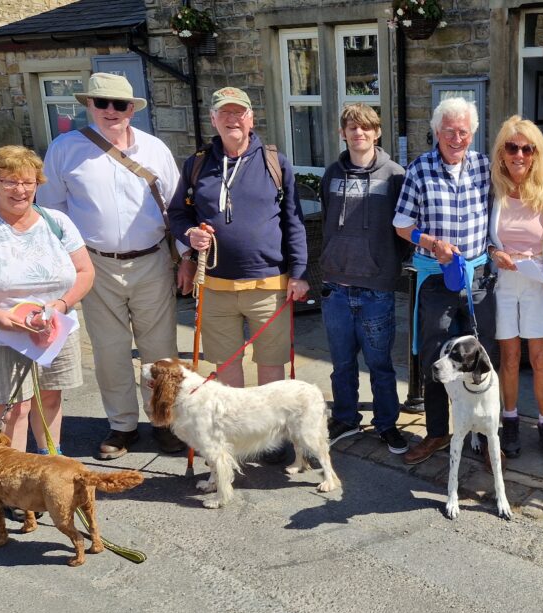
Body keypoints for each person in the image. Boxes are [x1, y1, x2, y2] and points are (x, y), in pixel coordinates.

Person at [36, 72, 189, 460]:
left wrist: (186, 256)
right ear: (88, 105)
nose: (109, 111)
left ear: (131, 110)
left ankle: (163, 422)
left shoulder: (154, 150)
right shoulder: (65, 148)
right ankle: (122, 426)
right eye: (100, 103)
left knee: (161, 351)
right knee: (110, 350)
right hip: (95, 265)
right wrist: (66, 265)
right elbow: (52, 210)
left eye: (118, 104)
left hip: (152, 260)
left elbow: (176, 207)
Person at [167, 87, 307, 456]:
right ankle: (233, 438)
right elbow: (178, 214)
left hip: (268, 282)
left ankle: (270, 438)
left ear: (251, 119)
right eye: (224, 113)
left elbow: (293, 220)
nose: (232, 119)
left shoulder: (275, 161)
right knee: (226, 369)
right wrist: (189, 235)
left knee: (271, 368)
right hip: (214, 287)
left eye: (239, 113)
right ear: (213, 119)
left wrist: (300, 271)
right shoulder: (197, 163)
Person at [0, 145, 94, 455]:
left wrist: (61, 306)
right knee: (14, 408)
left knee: (49, 397)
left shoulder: (57, 222)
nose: (19, 190)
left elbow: (85, 271)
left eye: (28, 181)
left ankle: (50, 460)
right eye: (9, 181)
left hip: (53, 329)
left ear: (38, 184)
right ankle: (13, 475)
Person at [393, 97, 496, 466]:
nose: (456, 138)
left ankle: (483, 435)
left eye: (463, 132)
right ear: (437, 132)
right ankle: (437, 432)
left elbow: (526, 181)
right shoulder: (419, 169)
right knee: (436, 358)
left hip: (478, 278)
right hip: (435, 279)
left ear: (472, 134)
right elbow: (401, 225)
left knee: (484, 355)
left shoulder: (485, 167)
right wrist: (432, 243)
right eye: (449, 131)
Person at [319, 103, 409, 455]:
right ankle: (345, 417)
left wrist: (384, 266)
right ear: (343, 133)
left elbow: (403, 230)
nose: (359, 133)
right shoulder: (331, 174)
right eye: (351, 128)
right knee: (341, 364)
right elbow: (328, 220)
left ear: (377, 132)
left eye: (365, 128)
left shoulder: (395, 176)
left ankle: (387, 424)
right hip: (336, 288)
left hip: (376, 289)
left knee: (380, 365)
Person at [486, 115, 543, 463]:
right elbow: (480, 235)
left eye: (527, 148)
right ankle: (510, 422)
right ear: (502, 152)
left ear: (535, 154)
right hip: (505, 281)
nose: (519, 154)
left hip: (537, 281)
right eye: (512, 147)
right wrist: (494, 253)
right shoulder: (492, 187)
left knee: (540, 359)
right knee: (509, 357)